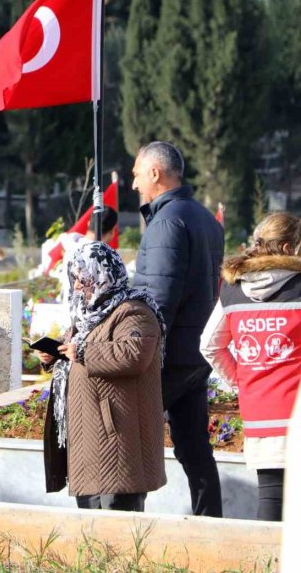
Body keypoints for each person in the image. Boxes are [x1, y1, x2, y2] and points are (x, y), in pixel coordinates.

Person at [131, 141, 225, 517]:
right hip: (194, 353)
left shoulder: (166, 222)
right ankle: (212, 523)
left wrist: (132, 350)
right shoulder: (203, 217)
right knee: (195, 448)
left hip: (167, 358)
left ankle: (126, 525)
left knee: (133, 441)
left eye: (138, 174)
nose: (135, 183)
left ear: (155, 173)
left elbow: (157, 299)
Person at [38, 242, 166, 511]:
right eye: (74, 279)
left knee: (118, 523)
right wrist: (55, 355)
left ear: (103, 275)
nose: (77, 287)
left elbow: (133, 354)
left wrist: (82, 352)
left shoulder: (134, 311)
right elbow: (77, 348)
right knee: (92, 527)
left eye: (83, 279)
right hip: (89, 439)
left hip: (118, 439)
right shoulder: (89, 315)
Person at [200, 213, 301, 521]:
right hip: (295, 411)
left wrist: (242, 381)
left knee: (270, 499)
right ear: (286, 248)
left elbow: (209, 344)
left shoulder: (233, 288)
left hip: (258, 412)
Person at [55, 207, 119, 304]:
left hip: (69, 312)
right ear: (112, 231)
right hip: (93, 315)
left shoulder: (71, 247)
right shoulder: (103, 257)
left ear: (89, 223)